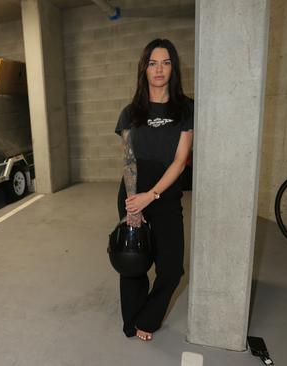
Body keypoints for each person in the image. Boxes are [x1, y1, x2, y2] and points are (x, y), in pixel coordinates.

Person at [114, 38, 193, 341]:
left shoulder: (185, 108)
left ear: (173, 68)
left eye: (166, 62)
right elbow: (129, 160)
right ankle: (132, 320)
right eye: (152, 63)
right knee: (133, 264)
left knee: (172, 269)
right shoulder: (130, 112)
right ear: (144, 69)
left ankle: (149, 317)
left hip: (165, 194)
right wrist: (134, 205)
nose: (159, 69)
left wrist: (153, 196)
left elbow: (180, 160)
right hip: (133, 193)